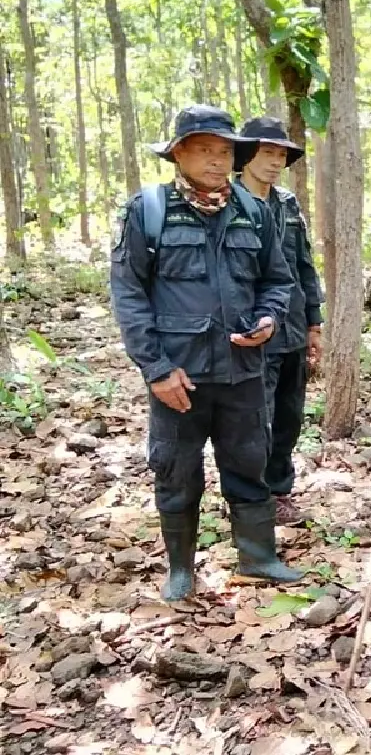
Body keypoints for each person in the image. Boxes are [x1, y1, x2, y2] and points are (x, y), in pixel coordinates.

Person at [110, 105, 303, 601]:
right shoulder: (147, 211)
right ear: (178, 153)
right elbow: (129, 295)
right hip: (179, 375)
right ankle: (181, 569)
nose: (217, 161)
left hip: (242, 369)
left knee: (249, 460)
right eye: (204, 150)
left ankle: (258, 556)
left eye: (224, 151)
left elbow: (277, 280)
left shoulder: (253, 211)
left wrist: (268, 319)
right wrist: (155, 369)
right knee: (176, 468)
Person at [235, 117, 324, 526]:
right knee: (256, 418)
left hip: (291, 328)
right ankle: (251, 498)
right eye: (266, 152)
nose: (274, 162)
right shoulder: (228, 201)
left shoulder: (288, 205)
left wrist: (313, 324)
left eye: (281, 155)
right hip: (252, 331)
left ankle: (280, 492)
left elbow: (304, 265)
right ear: (247, 154)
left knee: (289, 415)